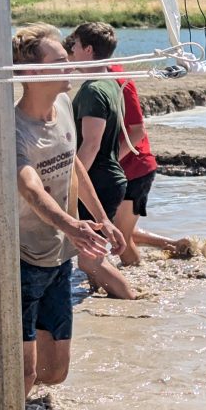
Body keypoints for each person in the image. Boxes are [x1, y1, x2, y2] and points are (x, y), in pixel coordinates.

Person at [0, 24, 125, 401]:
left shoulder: (64, 104)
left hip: (57, 257)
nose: (70, 65)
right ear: (32, 74)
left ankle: (0, 394)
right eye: (61, 61)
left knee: (55, 373)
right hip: (17, 260)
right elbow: (29, 188)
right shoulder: (10, 130)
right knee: (26, 372)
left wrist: (101, 218)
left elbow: (74, 166)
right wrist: (72, 226)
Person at [68, 23, 136, 301]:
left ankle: (131, 302)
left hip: (98, 180)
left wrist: (71, 183)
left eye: (73, 47)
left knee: (88, 260)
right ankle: (107, 307)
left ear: (88, 49)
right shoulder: (109, 81)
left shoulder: (94, 90)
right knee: (93, 257)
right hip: (107, 178)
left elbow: (91, 144)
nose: (69, 52)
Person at [113, 70, 192, 266]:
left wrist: (108, 164)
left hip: (134, 171)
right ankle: (173, 244)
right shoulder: (107, 77)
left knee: (119, 235)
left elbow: (138, 131)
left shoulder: (118, 80)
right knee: (120, 230)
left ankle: (135, 279)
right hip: (131, 169)